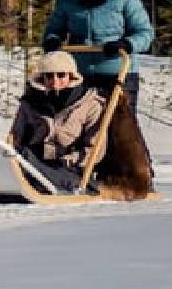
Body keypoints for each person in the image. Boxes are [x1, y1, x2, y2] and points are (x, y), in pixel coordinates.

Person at [42, 0, 154, 115]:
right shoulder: (68, 3)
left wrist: (126, 44)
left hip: (118, 73)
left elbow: (145, 33)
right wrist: (52, 40)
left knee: (120, 127)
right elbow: (54, 30)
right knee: (76, 123)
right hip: (80, 74)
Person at [10, 51, 105, 193]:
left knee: (28, 162)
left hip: (70, 169)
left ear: (71, 77)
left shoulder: (90, 105)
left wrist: (69, 160)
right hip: (33, 161)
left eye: (61, 75)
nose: (55, 81)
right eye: (49, 76)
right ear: (42, 78)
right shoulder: (30, 102)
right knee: (19, 157)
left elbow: (95, 149)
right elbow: (16, 137)